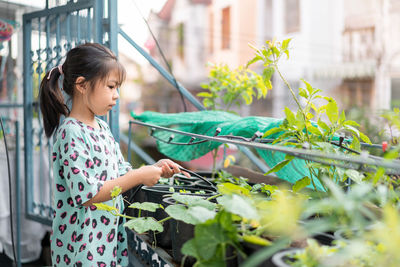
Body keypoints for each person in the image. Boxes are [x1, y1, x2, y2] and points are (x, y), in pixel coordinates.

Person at [39, 43, 186, 266]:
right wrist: (138, 176)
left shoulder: (102, 128)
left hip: (107, 240)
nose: (116, 96)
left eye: (117, 88)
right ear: (82, 85)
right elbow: (88, 195)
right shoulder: (71, 132)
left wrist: (154, 168)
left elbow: (120, 173)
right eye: (110, 86)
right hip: (80, 247)